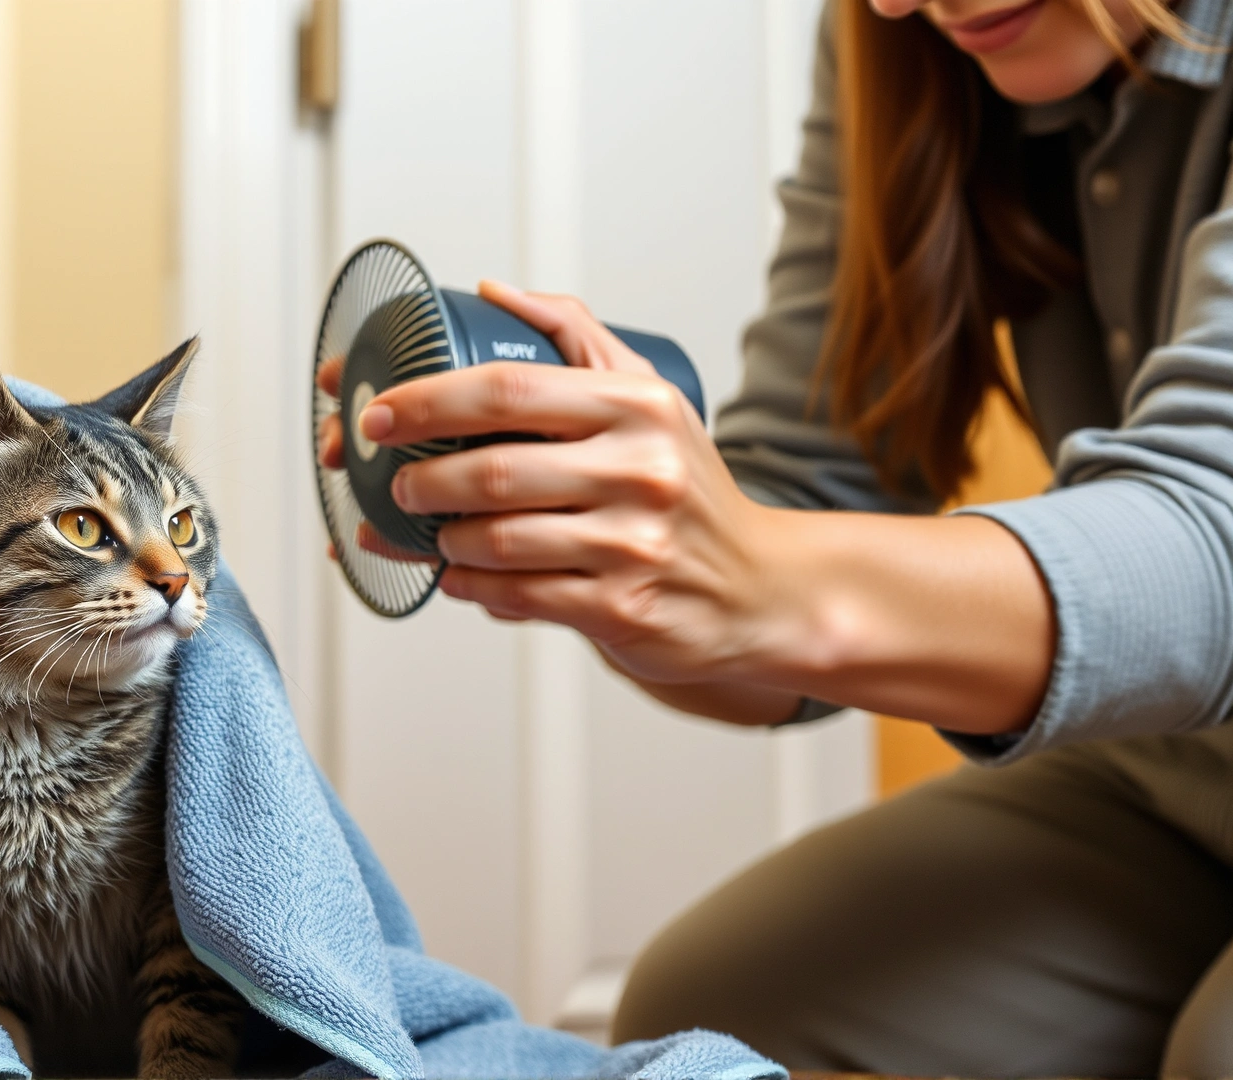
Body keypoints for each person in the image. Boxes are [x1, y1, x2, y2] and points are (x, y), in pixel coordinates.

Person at [313, 0, 1233, 1074]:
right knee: (726, 1005)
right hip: (1177, 774)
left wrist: (751, 575)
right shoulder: (910, 41)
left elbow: (1209, 547)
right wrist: (611, 559)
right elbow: (806, 495)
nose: (899, 4)